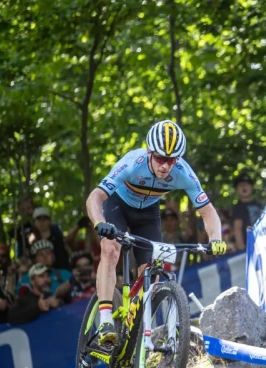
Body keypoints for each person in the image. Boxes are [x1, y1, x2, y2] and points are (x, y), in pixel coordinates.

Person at [86, 120, 227, 347]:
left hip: (148, 213)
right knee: (111, 250)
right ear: (150, 152)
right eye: (161, 158)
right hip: (118, 206)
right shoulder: (133, 163)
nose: (166, 166)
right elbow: (95, 197)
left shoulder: (183, 173)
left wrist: (216, 239)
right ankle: (104, 320)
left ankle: (136, 337)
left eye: (172, 160)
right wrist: (99, 223)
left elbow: (208, 212)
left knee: (153, 273)